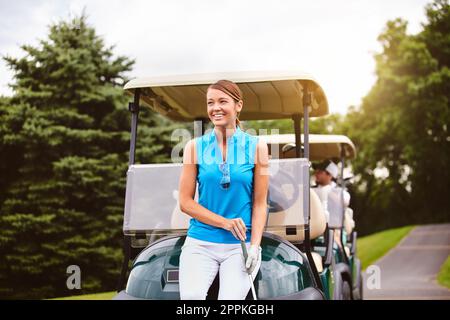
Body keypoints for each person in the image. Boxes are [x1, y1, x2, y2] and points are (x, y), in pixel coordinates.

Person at [178, 79, 269, 300]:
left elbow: (259, 203)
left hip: (240, 244)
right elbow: (185, 202)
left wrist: (255, 246)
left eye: (222, 101)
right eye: (210, 103)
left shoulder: (258, 147)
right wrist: (225, 223)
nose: (215, 108)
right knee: (191, 299)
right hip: (201, 241)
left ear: (238, 105)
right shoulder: (194, 147)